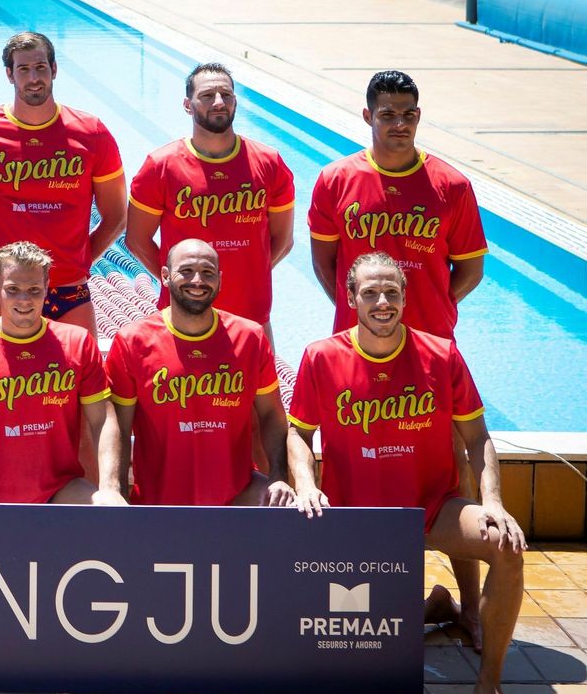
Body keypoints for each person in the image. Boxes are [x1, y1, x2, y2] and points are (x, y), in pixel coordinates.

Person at [288, 252, 524, 694]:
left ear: (404, 297)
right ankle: (434, 608)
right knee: (353, 644)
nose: (382, 302)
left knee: (508, 549)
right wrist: (306, 483)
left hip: (433, 507)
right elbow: (299, 432)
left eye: (391, 292)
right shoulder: (321, 357)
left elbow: (478, 438)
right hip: (356, 514)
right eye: (371, 293)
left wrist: (492, 502)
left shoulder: (441, 354)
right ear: (351, 297)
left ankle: (488, 684)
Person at [0, 32, 125, 339]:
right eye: (24, 69)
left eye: (41, 67)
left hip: (69, 293)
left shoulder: (91, 133)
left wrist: (79, 265)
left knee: (77, 384)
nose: (33, 78)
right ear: (9, 74)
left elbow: (116, 216)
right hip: (1, 291)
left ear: (54, 69)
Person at [0, 241, 124, 505]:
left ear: (46, 288)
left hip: (60, 491)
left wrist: (110, 487)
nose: (24, 300)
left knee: (109, 512)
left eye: (33, 289)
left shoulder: (77, 342)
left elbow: (103, 418)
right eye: (13, 290)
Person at [105, 239, 295, 506]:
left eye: (207, 273)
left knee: (293, 512)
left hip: (237, 496)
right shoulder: (132, 342)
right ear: (165, 276)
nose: (197, 280)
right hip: (159, 504)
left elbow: (272, 414)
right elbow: (120, 429)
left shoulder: (249, 337)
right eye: (186, 271)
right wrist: (116, 491)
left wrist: (279, 477)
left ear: (219, 280)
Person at [309, 70, 486, 340]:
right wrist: (364, 313)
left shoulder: (452, 186)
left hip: (430, 339)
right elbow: (324, 264)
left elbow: (471, 270)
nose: (401, 124)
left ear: (418, 115)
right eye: (388, 115)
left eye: (408, 115)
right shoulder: (335, 180)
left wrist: (436, 307)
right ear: (368, 117)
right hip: (357, 342)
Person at [126, 63, 294, 331]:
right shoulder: (160, 166)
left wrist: (250, 275)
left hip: (251, 317)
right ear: (187, 104)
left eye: (226, 95)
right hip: (183, 317)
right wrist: (180, 282)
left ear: (235, 102)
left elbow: (283, 241)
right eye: (207, 95)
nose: (218, 102)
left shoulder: (269, 162)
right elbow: (136, 240)